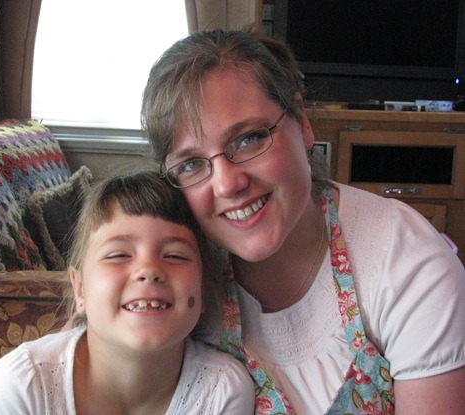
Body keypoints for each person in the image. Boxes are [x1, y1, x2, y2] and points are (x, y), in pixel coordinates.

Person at [140, 29, 465, 414]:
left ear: (302, 123)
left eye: (249, 139)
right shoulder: (174, 279)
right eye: (192, 164)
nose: (227, 184)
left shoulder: (409, 263)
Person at [0, 170, 255, 415]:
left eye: (175, 255)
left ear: (202, 290)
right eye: (118, 255)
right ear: (80, 288)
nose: (148, 270)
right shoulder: (24, 385)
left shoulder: (223, 391)